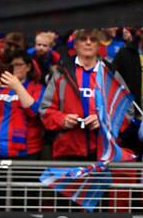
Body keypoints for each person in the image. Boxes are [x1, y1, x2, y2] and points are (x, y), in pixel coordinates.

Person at [40, 28, 132, 160]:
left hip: (103, 152)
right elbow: (45, 110)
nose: (88, 43)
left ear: (99, 45)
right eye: (83, 39)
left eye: (93, 40)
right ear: (75, 44)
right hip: (68, 150)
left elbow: (126, 110)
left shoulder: (111, 74)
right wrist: (62, 120)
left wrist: (104, 121)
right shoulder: (61, 73)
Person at [0, 53, 43, 158]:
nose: (14, 68)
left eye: (18, 64)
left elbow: (34, 112)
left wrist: (18, 87)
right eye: (11, 65)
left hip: (26, 150)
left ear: (28, 67)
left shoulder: (36, 88)